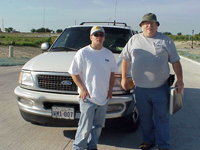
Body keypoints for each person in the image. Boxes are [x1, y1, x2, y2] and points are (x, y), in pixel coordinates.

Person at [119, 13, 184, 150]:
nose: (149, 26)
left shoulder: (166, 40)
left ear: (157, 25)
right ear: (141, 26)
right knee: (145, 118)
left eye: (153, 23)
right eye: (146, 23)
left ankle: (163, 145)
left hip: (160, 88)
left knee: (162, 118)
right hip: (140, 88)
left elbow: (176, 62)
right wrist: (124, 78)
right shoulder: (134, 40)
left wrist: (180, 80)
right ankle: (148, 141)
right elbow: (125, 59)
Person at [68, 26, 118, 150]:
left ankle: (92, 146)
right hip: (88, 97)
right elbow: (73, 73)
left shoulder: (109, 54)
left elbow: (112, 74)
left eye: (101, 35)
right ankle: (78, 147)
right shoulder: (83, 53)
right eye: (96, 35)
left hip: (103, 97)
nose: (99, 37)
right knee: (85, 126)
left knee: (98, 126)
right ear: (91, 37)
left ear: (104, 38)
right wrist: (83, 89)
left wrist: (111, 89)